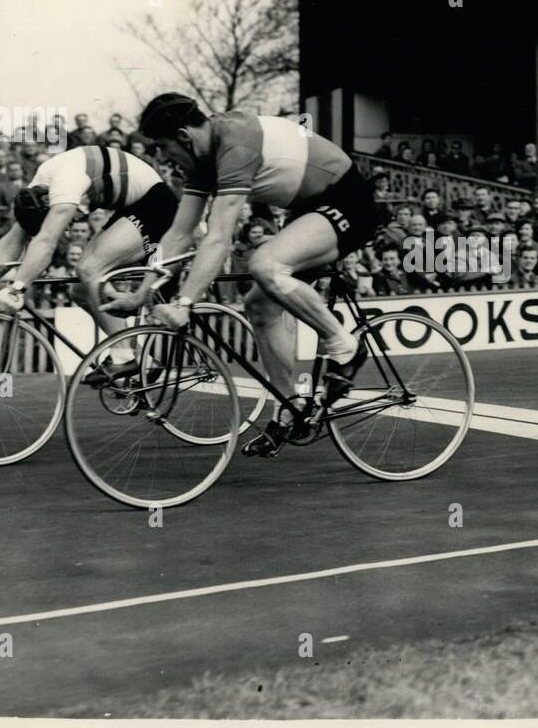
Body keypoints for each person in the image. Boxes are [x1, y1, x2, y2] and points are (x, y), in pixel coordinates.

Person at [135, 93, 379, 459]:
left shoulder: (235, 144)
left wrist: (185, 302)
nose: (163, 158)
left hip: (347, 201)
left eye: (164, 147)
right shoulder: (202, 158)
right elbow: (179, 233)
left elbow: (219, 237)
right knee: (260, 307)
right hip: (309, 207)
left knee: (265, 265)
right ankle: (289, 406)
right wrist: (142, 293)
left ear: (185, 136)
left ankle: (345, 347)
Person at [0, 142, 179, 352]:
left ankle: (124, 354)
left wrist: (16, 289)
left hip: (154, 201)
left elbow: (46, 241)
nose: (68, 228)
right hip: (130, 203)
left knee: (89, 268)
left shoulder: (64, 188)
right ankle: (139, 357)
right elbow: (13, 239)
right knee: (80, 291)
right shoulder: (37, 192)